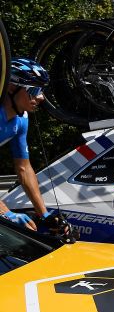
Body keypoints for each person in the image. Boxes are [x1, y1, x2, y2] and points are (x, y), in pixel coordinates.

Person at [0, 58, 54, 232]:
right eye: (35, 89)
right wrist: (6, 213)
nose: (40, 97)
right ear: (11, 87)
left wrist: (45, 215)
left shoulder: (21, 119)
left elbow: (24, 168)